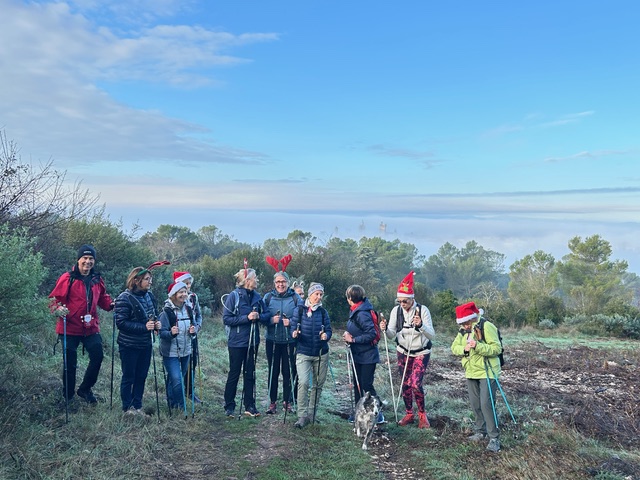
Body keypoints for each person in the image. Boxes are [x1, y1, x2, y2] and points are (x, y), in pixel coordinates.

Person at [49, 245, 114, 404]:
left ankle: (85, 389)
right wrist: (58, 309)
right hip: (69, 327)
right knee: (70, 364)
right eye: (84, 258)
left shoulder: (97, 279)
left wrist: (112, 305)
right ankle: (68, 396)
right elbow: (53, 300)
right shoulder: (67, 278)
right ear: (78, 260)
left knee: (97, 356)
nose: (88, 261)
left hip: (90, 327)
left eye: (91, 258)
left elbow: (103, 299)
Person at [380, 271, 435, 428]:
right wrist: (384, 329)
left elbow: (432, 335)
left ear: (412, 299)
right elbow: (391, 335)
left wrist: (421, 326)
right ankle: (409, 413)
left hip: (421, 351)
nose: (402, 304)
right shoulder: (396, 311)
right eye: (399, 301)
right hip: (403, 351)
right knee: (405, 383)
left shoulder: (423, 310)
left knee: (415, 383)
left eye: (405, 301)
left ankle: (422, 415)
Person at [450, 301, 502, 453]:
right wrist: (465, 349)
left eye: (466, 322)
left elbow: (497, 348)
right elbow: (454, 347)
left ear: (472, 318)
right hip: (471, 371)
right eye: (462, 323)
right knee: (475, 404)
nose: (464, 326)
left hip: (488, 371)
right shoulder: (463, 330)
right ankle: (480, 431)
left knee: (486, 404)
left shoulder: (487, 326)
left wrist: (478, 346)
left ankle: (494, 438)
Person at [222, 265, 270, 418]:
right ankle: (229, 406)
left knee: (250, 374)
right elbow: (227, 319)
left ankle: (250, 405)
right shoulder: (234, 296)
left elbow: (267, 315)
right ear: (247, 280)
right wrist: (246, 318)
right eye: (255, 278)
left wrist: (259, 316)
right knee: (234, 373)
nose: (257, 280)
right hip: (236, 342)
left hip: (253, 341)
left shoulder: (257, 297)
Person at [114, 267, 160, 415]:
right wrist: (144, 327)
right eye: (147, 279)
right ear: (136, 280)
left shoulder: (150, 296)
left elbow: (154, 314)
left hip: (145, 343)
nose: (150, 282)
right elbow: (121, 323)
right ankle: (127, 408)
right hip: (128, 344)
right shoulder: (124, 298)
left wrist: (156, 324)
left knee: (141, 376)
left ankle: (137, 405)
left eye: (150, 279)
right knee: (129, 376)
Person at [290, 282, 332, 428]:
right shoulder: (299, 310)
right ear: (310, 294)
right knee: (303, 383)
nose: (319, 297)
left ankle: (311, 414)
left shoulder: (323, 312)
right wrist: (294, 333)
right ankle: (302, 416)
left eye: (321, 294)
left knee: (318, 385)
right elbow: (293, 328)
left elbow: (329, 330)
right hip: (303, 352)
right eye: (316, 294)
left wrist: (326, 336)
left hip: (321, 353)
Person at [263, 255, 302, 414]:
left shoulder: (295, 297)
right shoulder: (268, 297)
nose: (281, 284)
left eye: (283, 281)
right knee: (273, 371)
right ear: (274, 283)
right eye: (278, 282)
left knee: (288, 371)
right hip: (272, 340)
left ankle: (288, 401)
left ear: (288, 282)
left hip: (289, 341)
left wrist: (291, 322)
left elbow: (301, 317)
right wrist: (270, 320)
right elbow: (262, 317)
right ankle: (272, 402)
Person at [342, 284, 383, 424]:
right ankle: (359, 413)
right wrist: (349, 335)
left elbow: (371, 334)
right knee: (358, 385)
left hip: (367, 355)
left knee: (366, 385)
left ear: (349, 298)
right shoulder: (357, 310)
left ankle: (378, 414)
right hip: (359, 354)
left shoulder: (362, 313)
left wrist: (353, 340)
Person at [158, 281, 196, 412]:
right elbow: (161, 333)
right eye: (181, 292)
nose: (184, 294)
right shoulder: (166, 312)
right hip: (171, 352)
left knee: (175, 378)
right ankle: (181, 407)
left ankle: (171, 403)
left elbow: (194, 325)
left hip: (186, 350)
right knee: (177, 379)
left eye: (185, 292)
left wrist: (193, 331)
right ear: (174, 294)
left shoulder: (188, 309)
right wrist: (170, 333)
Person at [173, 271, 203, 404]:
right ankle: (173, 393)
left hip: (192, 337)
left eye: (189, 283)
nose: (188, 286)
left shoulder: (193, 297)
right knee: (177, 365)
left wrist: (196, 327)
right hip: (177, 338)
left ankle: (189, 391)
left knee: (192, 363)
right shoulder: (173, 298)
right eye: (186, 283)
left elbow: (198, 315)